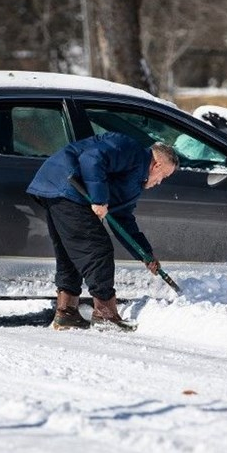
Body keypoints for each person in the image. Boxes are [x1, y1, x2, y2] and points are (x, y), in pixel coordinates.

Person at [27, 133, 178, 331]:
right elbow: (91, 158)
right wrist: (99, 199)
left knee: (72, 252)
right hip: (67, 184)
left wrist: (145, 254)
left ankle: (67, 312)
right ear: (156, 165)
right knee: (97, 249)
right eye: (163, 177)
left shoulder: (134, 181)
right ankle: (105, 314)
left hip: (58, 186)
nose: (159, 182)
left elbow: (123, 219)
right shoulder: (131, 149)